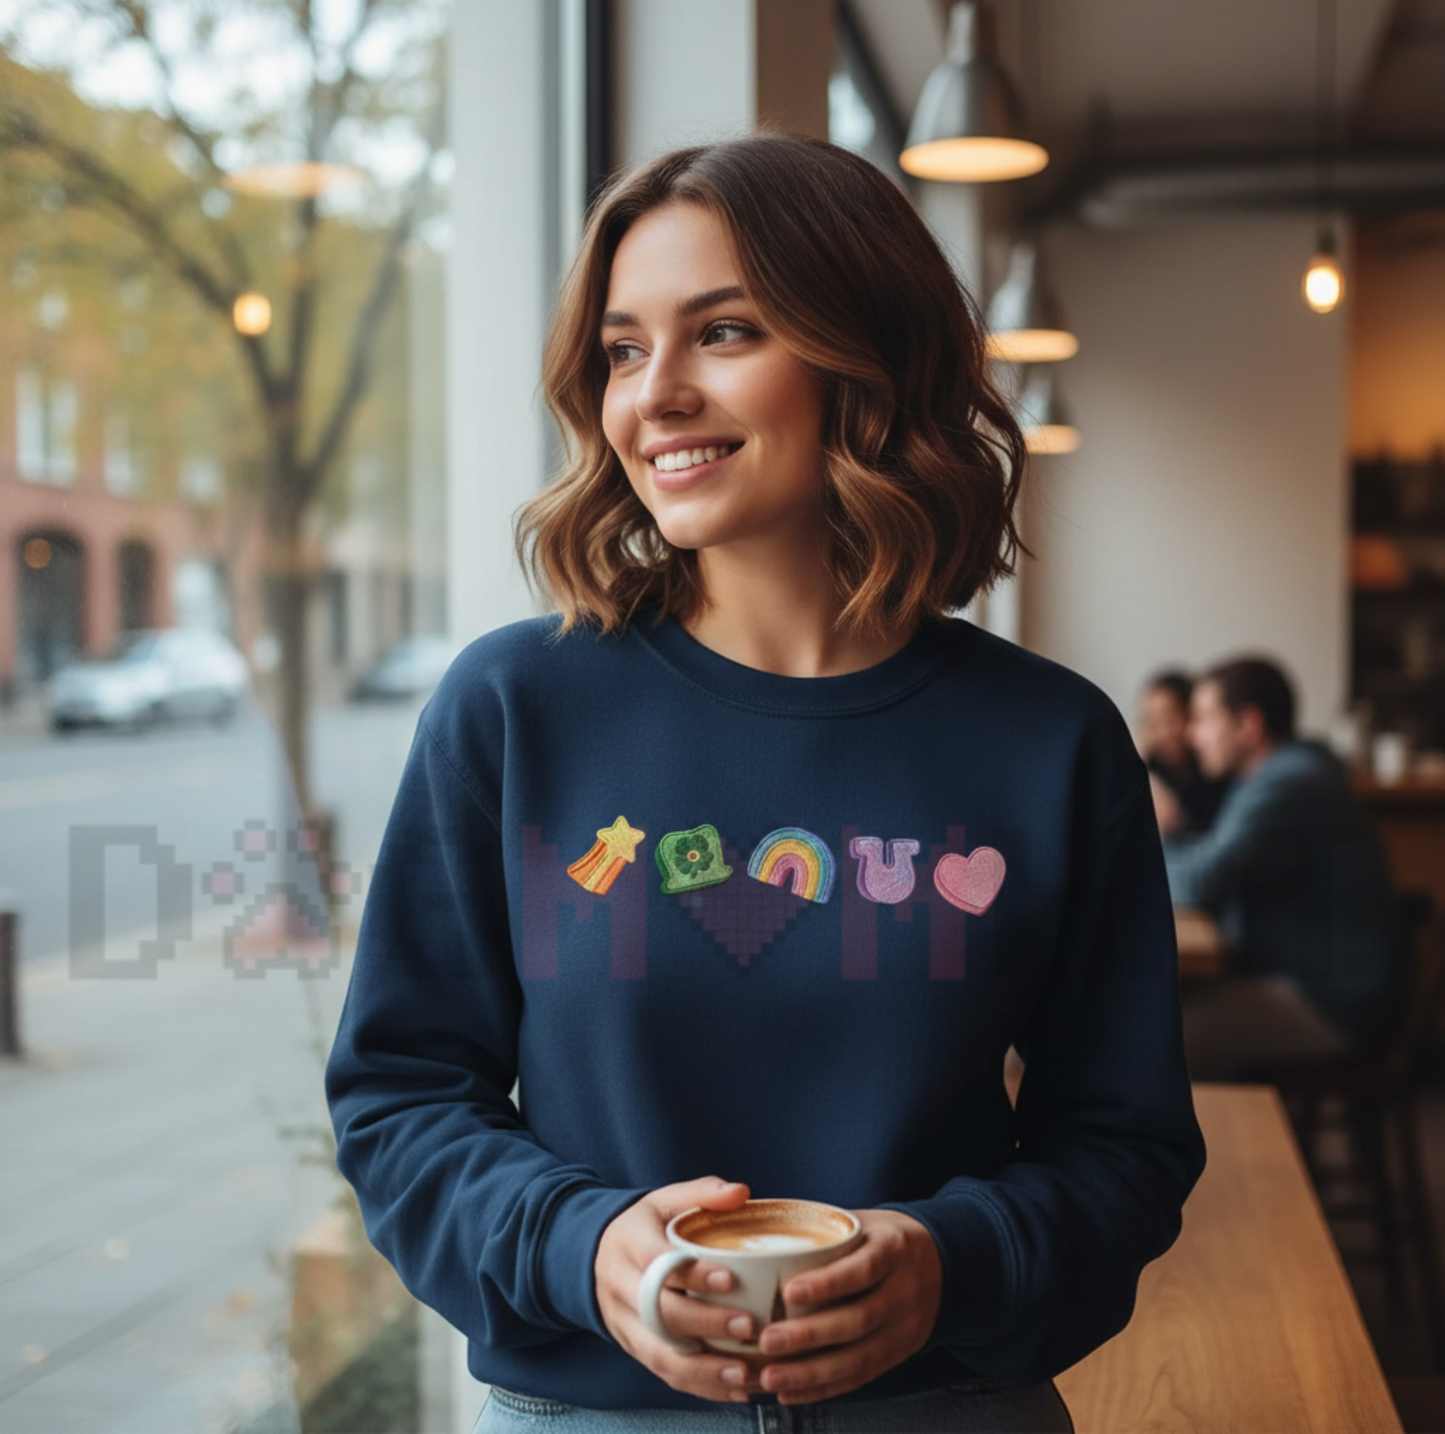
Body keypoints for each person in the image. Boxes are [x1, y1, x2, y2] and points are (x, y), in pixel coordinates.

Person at [326, 135, 1204, 1431]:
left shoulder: (1051, 741)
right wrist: (585, 1243)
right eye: (624, 350)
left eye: (722, 332)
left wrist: (948, 1262)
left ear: (867, 361)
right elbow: (399, 1097)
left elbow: (1126, 1149)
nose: (655, 393)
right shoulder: (513, 709)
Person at [1163, 657, 1396, 1080]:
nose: (1193, 736)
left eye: (1203, 719)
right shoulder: (1278, 775)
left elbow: (1199, 882)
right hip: (1316, 984)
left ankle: (1220, 1146)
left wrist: (1161, 828)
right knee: (1151, 1015)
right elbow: (1215, 865)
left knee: (1153, 1038)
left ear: (1249, 725)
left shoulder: (1287, 783)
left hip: (1332, 1003)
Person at [1140, 669, 1227, 835]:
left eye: (1171, 719)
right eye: (1153, 722)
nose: (1163, 733)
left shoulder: (1216, 769)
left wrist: (1176, 821)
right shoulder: (1147, 771)